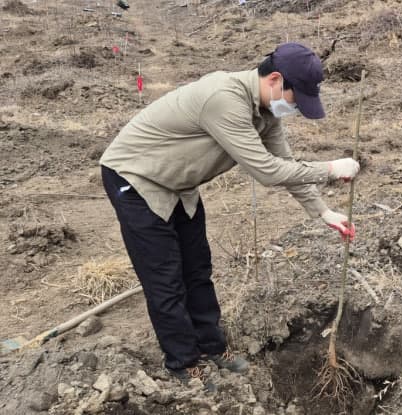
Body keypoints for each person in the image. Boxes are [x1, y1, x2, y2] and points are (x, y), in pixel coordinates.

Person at [99, 43, 360, 387]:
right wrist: (329, 168)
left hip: (179, 183)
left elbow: (287, 164)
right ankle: (182, 362)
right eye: (296, 99)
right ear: (276, 80)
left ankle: (212, 346)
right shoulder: (224, 99)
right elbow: (267, 170)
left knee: (197, 268)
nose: (295, 108)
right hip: (136, 178)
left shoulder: (266, 113)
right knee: (165, 278)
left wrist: (323, 211)